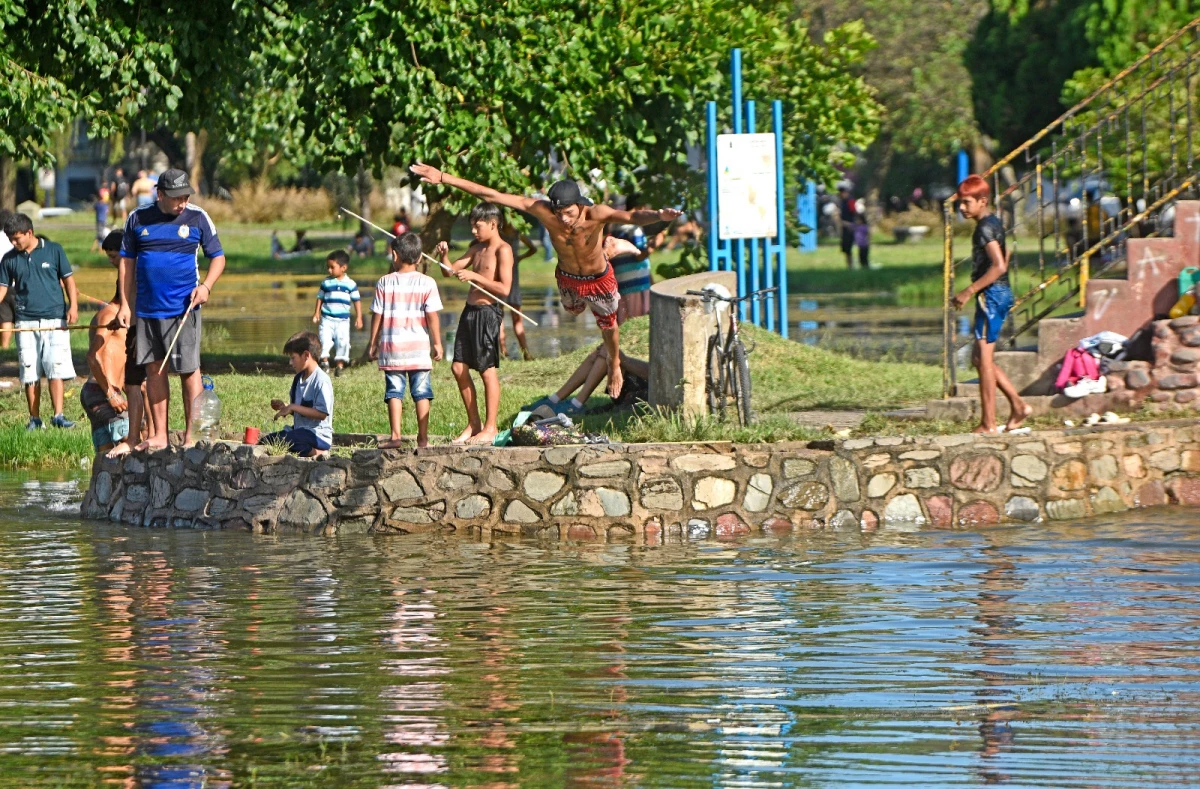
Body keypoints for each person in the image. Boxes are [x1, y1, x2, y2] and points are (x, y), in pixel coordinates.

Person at [410, 163, 681, 399]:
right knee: (573, 311)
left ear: (580, 205)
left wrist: (659, 216)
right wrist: (443, 177)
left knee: (608, 325)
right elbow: (493, 195)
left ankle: (614, 364)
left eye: (569, 213)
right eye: (559, 213)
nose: (563, 219)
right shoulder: (545, 212)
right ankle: (607, 247)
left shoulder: (596, 214)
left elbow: (632, 216)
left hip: (598, 278)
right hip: (568, 278)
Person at [115, 168, 226, 450]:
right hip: (148, 309)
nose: (182, 202)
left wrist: (206, 287)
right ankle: (160, 435)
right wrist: (126, 305)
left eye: (186, 196)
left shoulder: (198, 217)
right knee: (154, 369)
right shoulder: (137, 218)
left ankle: (192, 436)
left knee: (190, 371)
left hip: (184, 309)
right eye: (176, 197)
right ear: (160, 194)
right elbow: (126, 263)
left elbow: (218, 258)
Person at [951, 175, 1031, 434]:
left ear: (982, 200)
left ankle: (988, 424)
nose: (961, 208)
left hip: (993, 296)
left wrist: (969, 290)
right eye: (960, 203)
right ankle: (1018, 406)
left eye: (966, 202)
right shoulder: (993, 222)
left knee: (984, 361)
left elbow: (999, 265)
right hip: (997, 294)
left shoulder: (985, 228)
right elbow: (1006, 255)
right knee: (978, 358)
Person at [435, 202, 512, 445]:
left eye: (477, 227)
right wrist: (444, 255)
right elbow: (448, 271)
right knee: (458, 368)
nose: (474, 232)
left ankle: (491, 427)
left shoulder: (504, 250)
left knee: (487, 371)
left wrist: (475, 276)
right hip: (469, 312)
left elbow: (505, 289)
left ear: (493, 223)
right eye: (472, 227)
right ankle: (474, 423)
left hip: (487, 313)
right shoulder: (476, 249)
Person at [0, 212, 78, 430]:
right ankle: (34, 418)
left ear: (29, 232)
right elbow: (2, 289)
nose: (14, 243)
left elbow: (69, 281)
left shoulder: (54, 250)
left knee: (55, 367)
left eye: (17, 238)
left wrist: (73, 306)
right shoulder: (9, 259)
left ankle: (58, 415)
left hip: (55, 318)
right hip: (25, 321)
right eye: (10, 240)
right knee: (29, 370)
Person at [368, 232, 444, 448]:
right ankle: (423, 438)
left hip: (393, 349)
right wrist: (437, 343)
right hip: (419, 349)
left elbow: (377, 315)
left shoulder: (384, 282)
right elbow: (432, 316)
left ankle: (395, 437)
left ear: (394, 255)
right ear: (420, 258)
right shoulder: (427, 282)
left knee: (394, 391)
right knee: (422, 392)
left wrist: (374, 342)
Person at [102, 231, 154, 458]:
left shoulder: (139, 270)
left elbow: (145, 301)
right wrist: (119, 321)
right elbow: (125, 304)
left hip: (144, 330)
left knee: (144, 386)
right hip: (134, 330)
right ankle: (140, 436)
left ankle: (152, 434)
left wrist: (140, 333)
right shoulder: (122, 276)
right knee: (135, 384)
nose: (112, 262)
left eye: (114, 256)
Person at [81, 232, 130, 452]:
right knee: (126, 446)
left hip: (104, 391)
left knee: (104, 455)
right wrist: (111, 393)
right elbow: (93, 356)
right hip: (101, 392)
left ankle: (98, 487)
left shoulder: (123, 316)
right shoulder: (109, 315)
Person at [526, 344, 650, 417]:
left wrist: (620, 358)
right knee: (604, 351)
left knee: (610, 354)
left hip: (640, 394)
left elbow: (652, 373)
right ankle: (553, 400)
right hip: (630, 387)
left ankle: (575, 405)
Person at [264, 331, 334, 457]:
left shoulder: (321, 380)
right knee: (268, 440)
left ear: (306, 355)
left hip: (318, 435)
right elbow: (300, 408)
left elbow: (322, 413)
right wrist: (285, 407)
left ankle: (319, 452)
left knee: (289, 440)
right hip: (300, 432)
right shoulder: (298, 379)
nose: (291, 363)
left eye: (293, 358)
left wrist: (292, 407)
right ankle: (305, 449)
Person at [312, 249, 363, 375]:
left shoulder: (350, 284)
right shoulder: (326, 283)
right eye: (328, 267)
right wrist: (317, 313)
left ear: (343, 268)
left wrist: (359, 317)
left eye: (332, 267)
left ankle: (340, 366)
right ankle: (324, 363)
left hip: (343, 321)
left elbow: (356, 301)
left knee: (343, 342)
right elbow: (320, 298)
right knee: (324, 340)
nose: (329, 270)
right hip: (327, 319)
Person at [497, 215, 537, 360]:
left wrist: (520, 258)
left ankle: (516, 351)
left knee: (510, 317)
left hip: (507, 279)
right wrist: (519, 258)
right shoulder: (509, 233)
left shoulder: (501, 233)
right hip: (506, 279)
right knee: (507, 316)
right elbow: (533, 248)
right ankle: (509, 351)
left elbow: (533, 248)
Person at [609, 211, 653, 323]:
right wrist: (654, 244)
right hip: (637, 283)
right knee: (639, 318)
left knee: (623, 321)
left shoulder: (615, 229)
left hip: (621, 282)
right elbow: (640, 256)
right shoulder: (634, 230)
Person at [0, 208, 14, 350]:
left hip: (1, 284)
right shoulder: (14, 239)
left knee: (5, 317)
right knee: (23, 318)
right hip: (18, 283)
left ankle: (5, 347)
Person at [837, 185, 857, 269]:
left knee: (849, 246)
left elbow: (854, 213)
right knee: (845, 247)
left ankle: (851, 264)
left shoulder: (850, 201)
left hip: (850, 225)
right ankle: (849, 265)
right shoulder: (842, 201)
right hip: (844, 226)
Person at [90, 187, 111, 252]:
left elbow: (94, 209)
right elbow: (107, 212)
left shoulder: (98, 204)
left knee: (100, 235)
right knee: (100, 236)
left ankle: (97, 249)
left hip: (99, 221)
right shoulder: (105, 205)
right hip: (103, 221)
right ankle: (98, 249)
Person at [853, 202, 870, 269]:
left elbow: (868, 234)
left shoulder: (864, 227)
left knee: (864, 256)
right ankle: (862, 265)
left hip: (864, 244)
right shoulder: (857, 226)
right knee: (860, 256)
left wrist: (868, 241)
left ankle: (866, 265)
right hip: (860, 245)